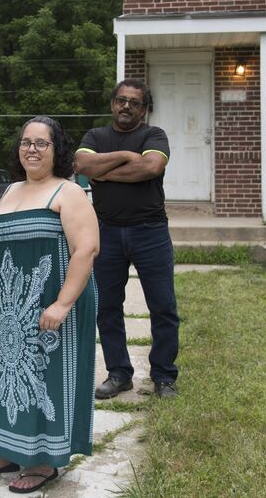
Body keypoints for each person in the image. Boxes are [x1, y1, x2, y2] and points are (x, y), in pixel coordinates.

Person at [0, 116, 98, 494]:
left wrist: (62, 304)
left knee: (43, 381)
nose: (31, 149)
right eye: (26, 142)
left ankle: (41, 460)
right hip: (5, 307)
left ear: (57, 150)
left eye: (41, 143)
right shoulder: (11, 191)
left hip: (51, 306)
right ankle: (1, 450)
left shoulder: (67, 192)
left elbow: (87, 249)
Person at [74, 78, 180, 400]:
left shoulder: (154, 135)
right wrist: (124, 155)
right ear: (112, 104)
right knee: (107, 307)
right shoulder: (96, 136)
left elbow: (150, 167)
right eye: (121, 100)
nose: (126, 106)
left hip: (150, 231)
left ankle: (163, 377)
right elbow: (80, 165)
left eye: (134, 103)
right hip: (105, 230)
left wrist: (102, 170)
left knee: (163, 306)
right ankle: (119, 373)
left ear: (144, 109)